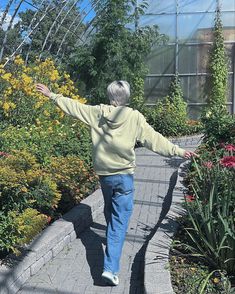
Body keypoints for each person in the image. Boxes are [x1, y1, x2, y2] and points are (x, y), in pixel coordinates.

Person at [36, 81, 196, 286]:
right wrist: (179, 151)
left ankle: (113, 241)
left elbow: (74, 107)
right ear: (127, 97)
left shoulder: (97, 113)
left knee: (112, 212)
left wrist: (52, 95)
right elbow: (154, 139)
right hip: (124, 176)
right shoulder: (134, 117)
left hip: (105, 177)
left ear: (110, 95)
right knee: (119, 222)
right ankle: (110, 269)